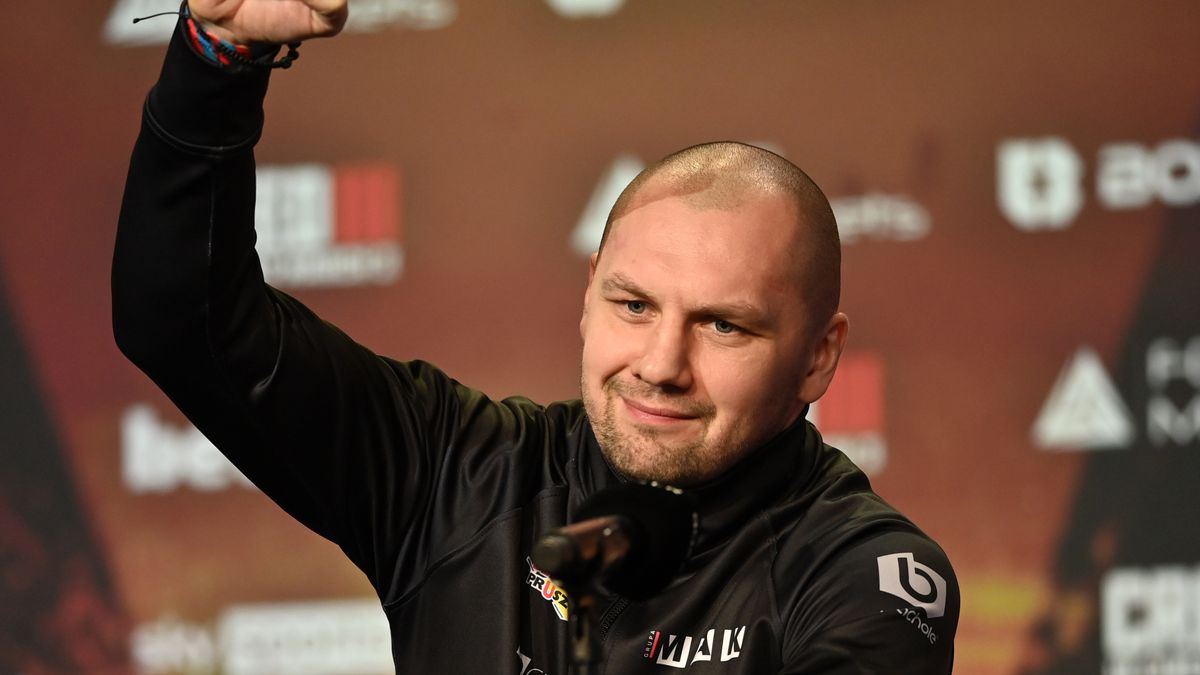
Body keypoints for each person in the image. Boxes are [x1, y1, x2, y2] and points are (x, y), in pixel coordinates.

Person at [113, 1, 959, 671]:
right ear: (588, 294)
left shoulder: (865, 573)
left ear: (819, 356)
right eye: (634, 306)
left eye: (722, 325)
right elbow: (183, 321)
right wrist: (214, 60)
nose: (661, 365)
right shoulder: (457, 473)